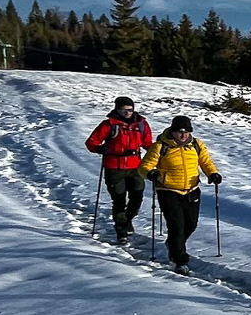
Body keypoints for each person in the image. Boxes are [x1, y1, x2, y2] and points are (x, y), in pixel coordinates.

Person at [140, 116, 221, 272]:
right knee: (176, 225)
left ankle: (173, 244)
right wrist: (151, 173)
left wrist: (212, 174)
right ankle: (179, 260)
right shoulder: (160, 146)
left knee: (191, 224)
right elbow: (144, 166)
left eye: (186, 131)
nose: (183, 135)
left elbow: (205, 161)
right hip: (168, 190)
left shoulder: (196, 145)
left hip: (191, 189)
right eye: (179, 132)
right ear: (173, 131)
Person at [85, 95, 153, 243]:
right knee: (119, 199)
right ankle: (121, 231)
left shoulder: (141, 124)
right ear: (117, 109)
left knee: (137, 196)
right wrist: (100, 148)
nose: (127, 113)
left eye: (130, 109)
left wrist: (158, 154)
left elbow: (147, 143)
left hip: (136, 166)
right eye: (123, 110)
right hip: (114, 166)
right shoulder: (108, 125)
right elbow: (91, 142)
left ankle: (127, 219)